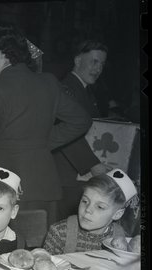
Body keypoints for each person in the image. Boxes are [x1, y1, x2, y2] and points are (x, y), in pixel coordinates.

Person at [0, 21, 93, 227]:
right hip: (45, 183)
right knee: (41, 251)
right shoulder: (48, 82)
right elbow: (81, 120)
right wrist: (43, 142)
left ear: (4, 54)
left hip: (6, 187)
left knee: (7, 252)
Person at [53, 40, 111, 219]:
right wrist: (93, 165)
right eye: (94, 61)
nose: (98, 68)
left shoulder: (84, 90)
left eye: (102, 64)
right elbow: (67, 131)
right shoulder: (66, 89)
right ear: (78, 60)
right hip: (68, 174)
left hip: (78, 173)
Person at [43, 168, 137, 255]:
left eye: (100, 207)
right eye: (85, 201)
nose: (87, 209)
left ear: (117, 214)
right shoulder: (59, 233)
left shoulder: (120, 237)